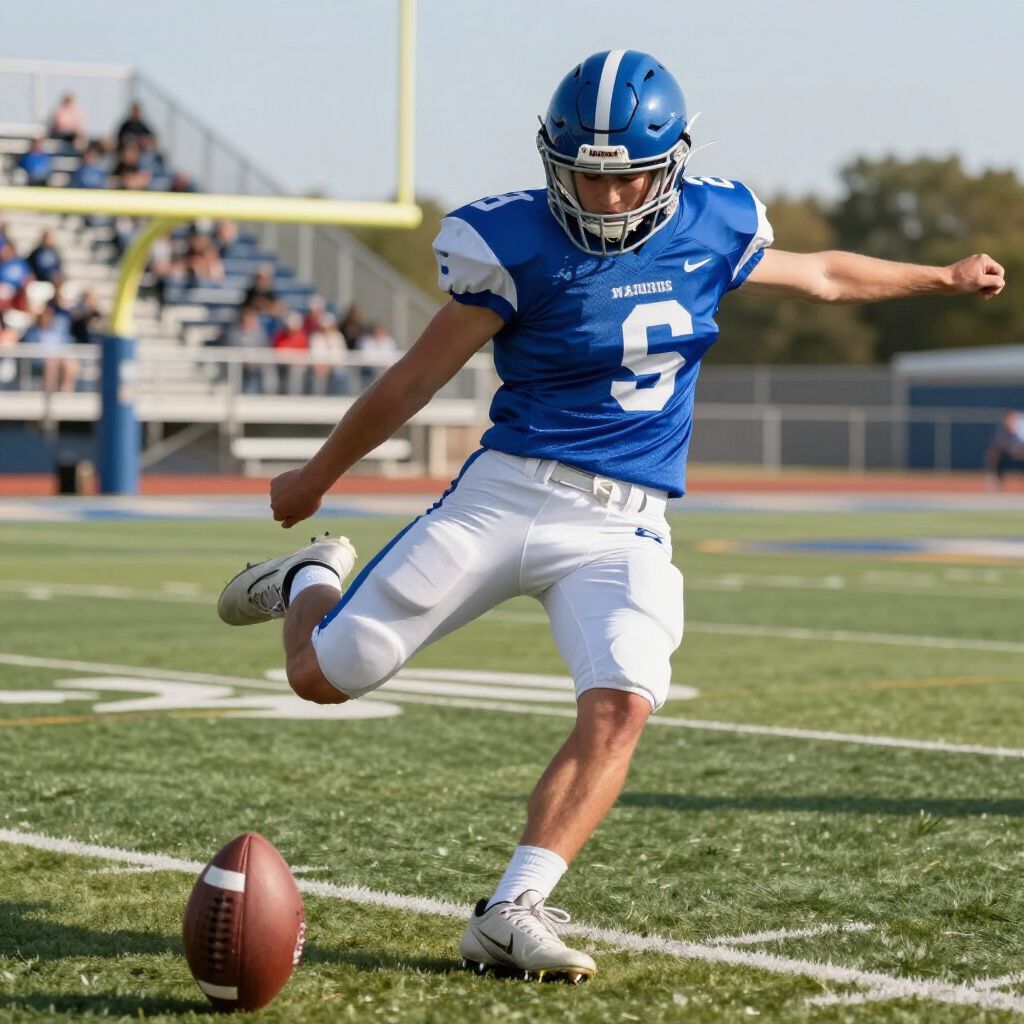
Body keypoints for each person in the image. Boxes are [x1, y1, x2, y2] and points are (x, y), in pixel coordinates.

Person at [215, 50, 1006, 983]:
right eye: (586, 174)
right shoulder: (513, 241)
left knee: (625, 699)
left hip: (625, 522)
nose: (603, 195)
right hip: (505, 494)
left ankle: (513, 908)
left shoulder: (716, 221)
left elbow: (826, 273)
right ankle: (314, 577)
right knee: (325, 677)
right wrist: (317, 473)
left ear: (670, 160)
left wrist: (942, 278)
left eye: (624, 172)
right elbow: (415, 380)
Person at [984, 410, 1024, 489]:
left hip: (1021, 457)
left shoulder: (1021, 431)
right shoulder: (1003, 432)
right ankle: (995, 480)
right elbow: (998, 447)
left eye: (1013, 420)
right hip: (1009, 457)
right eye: (1009, 420)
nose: (1011, 422)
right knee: (995, 457)